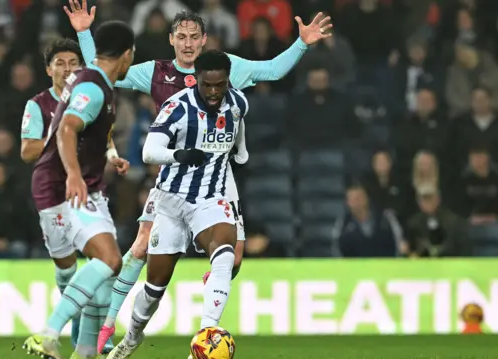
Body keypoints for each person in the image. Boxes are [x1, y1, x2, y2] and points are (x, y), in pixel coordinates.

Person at [64, 0, 333, 351]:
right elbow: (104, 71)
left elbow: (271, 71)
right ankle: (118, 328)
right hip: (172, 180)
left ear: (204, 39)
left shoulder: (224, 69)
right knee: (145, 253)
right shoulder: (157, 73)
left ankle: (205, 331)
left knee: (230, 256)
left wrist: (301, 43)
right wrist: (84, 32)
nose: (188, 43)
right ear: (171, 40)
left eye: (194, 36)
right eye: (181, 37)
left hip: (217, 178)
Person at [107, 49, 246, 359]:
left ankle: (206, 336)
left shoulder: (237, 103)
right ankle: (132, 337)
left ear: (227, 82)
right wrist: (177, 155)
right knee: (155, 285)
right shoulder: (177, 106)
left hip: (212, 198)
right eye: (206, 85)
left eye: (219, 85)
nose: (212, 92)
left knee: (225, 255)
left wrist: (242, 154)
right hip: (171, 201)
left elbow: (239, 131)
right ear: (197, 79)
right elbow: (149, 152)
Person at [21, 20, 135, 359]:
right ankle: (50, 333)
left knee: (103, 268)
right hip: (65, 187)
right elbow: (68, 129)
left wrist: (110, 156)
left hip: (78, 184)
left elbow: (93, 131)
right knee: (105, 260)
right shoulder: (93, 86)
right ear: (127, 55)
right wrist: (73, 174)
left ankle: (84, 349)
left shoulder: (89, 85)